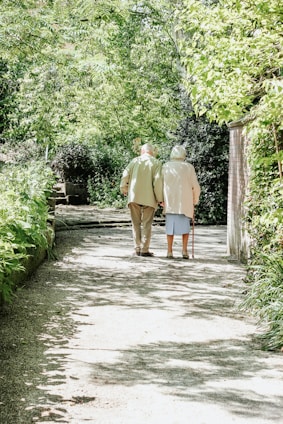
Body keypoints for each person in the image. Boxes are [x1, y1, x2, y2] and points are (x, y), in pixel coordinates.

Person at [120, 143, 163, 257]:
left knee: (135, 223)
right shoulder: (156, 163)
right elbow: (158, 182)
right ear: (152, 152)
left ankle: (137, 248)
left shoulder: (134, 161)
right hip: (149, 198)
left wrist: (124, 188)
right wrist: (160, 198)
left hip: (134, 196)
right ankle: (144, 249)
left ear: (142, 151)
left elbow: (125, 175)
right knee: (147, 224)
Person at [162, 145, 200, 259]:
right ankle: (184, 250)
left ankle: (169, 251)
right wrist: (195, 199)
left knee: (170, 228)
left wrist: (160, 199)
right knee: (185, 228)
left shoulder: (166, 166)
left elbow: (160, 183)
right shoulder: (188, 167)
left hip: (170, 201)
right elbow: (195, 186)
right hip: (185, 202)